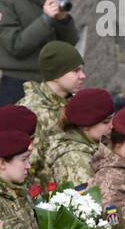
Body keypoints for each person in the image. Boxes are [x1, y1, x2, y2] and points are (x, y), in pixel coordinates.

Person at [47, 88, 116, 229]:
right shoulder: (75, 158)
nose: (111, 126)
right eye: (106, 121)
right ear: (87, 124)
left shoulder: (91, 147)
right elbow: (85, 212)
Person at [19, 41, 86, 189]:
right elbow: (27, 165)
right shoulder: (30, 111)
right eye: (76, 70)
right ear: (56, 75)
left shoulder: (75, 104)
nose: (83, 76)